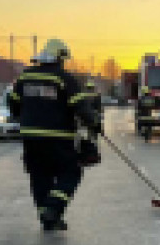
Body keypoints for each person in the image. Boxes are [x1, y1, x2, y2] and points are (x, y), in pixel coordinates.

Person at [8, 39, 101, 231]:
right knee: (71, 172)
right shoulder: (64, 78)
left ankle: (48, 218)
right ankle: (53, 208)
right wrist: (94, 123)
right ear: (59, 58)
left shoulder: (25, 77)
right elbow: (80, 106)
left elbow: (14, 104)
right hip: (58, 137)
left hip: (30, 137)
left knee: (39, 176)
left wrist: (26, 118)